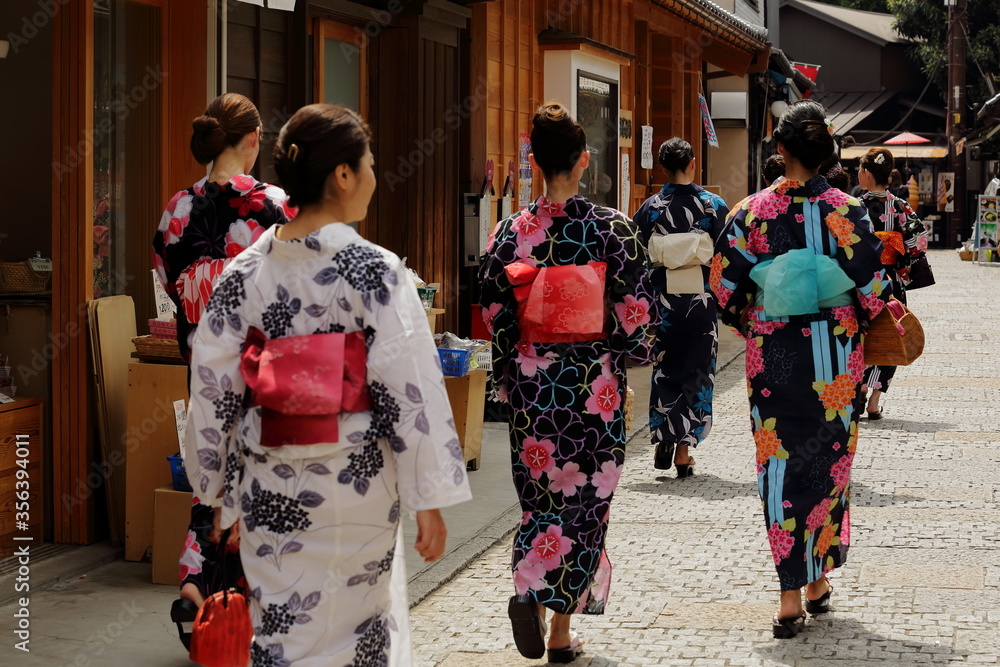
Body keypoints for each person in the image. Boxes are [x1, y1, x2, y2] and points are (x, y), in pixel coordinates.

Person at [183, 104, 472, 665]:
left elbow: (213, 387)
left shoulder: (244, 272)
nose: (371, 176)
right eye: (367, 163)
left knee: (282, 629)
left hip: (272, 486)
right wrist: (427, 498)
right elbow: (408, 386)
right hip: (356, 485)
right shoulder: (376, 270)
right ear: (342, 174)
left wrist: (216, 485)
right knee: (358, 632)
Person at [478, 102, 655, 663]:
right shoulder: (611, 230)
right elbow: (635, 312)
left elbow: (492, 314)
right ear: (583, 161)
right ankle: (556, 629)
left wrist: (514, 369)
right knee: (586, 502)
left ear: (532, 161)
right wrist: (628, 360)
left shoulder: (508, 234)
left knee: (540, 501)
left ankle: (533, 592)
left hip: (534, 386)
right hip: (591, 388)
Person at [709, 100, 893, 638]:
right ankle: (815, 582)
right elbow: (873, 287)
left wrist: (760, 318)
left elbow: (723, 289)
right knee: (830, 462)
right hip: (835, 355)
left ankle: (792, 592)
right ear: (829, 154)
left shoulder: (751, 212)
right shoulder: (848, 210)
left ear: (782, 149)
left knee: (779, 465)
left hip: (774, 355)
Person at [152, 92, 296, 648]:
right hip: (262, 376)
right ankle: (249, 618)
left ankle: (195, 591)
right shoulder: (273, 206)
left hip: (203, 372)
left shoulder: (176, 209)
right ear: (254, 140)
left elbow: (169, 283)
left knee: (209, 480)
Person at [632, 138, 730, 477]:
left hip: (664, 302)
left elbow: (636, 254)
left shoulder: (651, 207)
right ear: (692, 162)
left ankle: (663, 435)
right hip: (701, 302)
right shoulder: (712, 205)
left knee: (664, 367)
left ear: (663, 168)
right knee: (697, 371)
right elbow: (728, 255)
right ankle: (684, 452)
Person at [856, 148, 926, 419]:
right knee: (892, 334)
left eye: (861, 169)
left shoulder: (854, 205)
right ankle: (873, 399)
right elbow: (918, 239)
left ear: (868, 174)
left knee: (862, 334)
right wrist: (900, 259)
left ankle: (859, 386)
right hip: (892, 283)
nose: (858, 174)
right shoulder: (900, 205)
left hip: (862, 281)